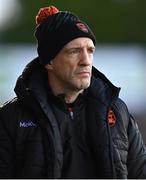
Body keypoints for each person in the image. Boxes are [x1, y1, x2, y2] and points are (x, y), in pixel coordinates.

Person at [0, 5, 146, 179]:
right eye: (74, 51)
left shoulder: (118, 112)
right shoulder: (10, 118)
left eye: (90, 51)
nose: (86, 61)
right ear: (49, 62)